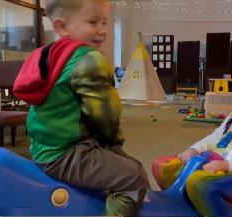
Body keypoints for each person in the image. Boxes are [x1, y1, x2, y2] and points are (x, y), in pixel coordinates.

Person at [13, 0, 150, 216]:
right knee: (135, 178)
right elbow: (106, 115)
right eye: (93, 22)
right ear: (62, 27)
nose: (102, 31)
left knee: (123, 164)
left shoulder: (48, 54)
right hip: (65, 152)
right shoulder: (90, 59)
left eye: (104, 22)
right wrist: (115, 145)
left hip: (42, 147)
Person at [152, 59, 232, 216]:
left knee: (200, 183)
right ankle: (189, 205)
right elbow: (214, 138)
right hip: (216, 167)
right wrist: (194, 149)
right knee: (163, 167)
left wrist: (227, 165)